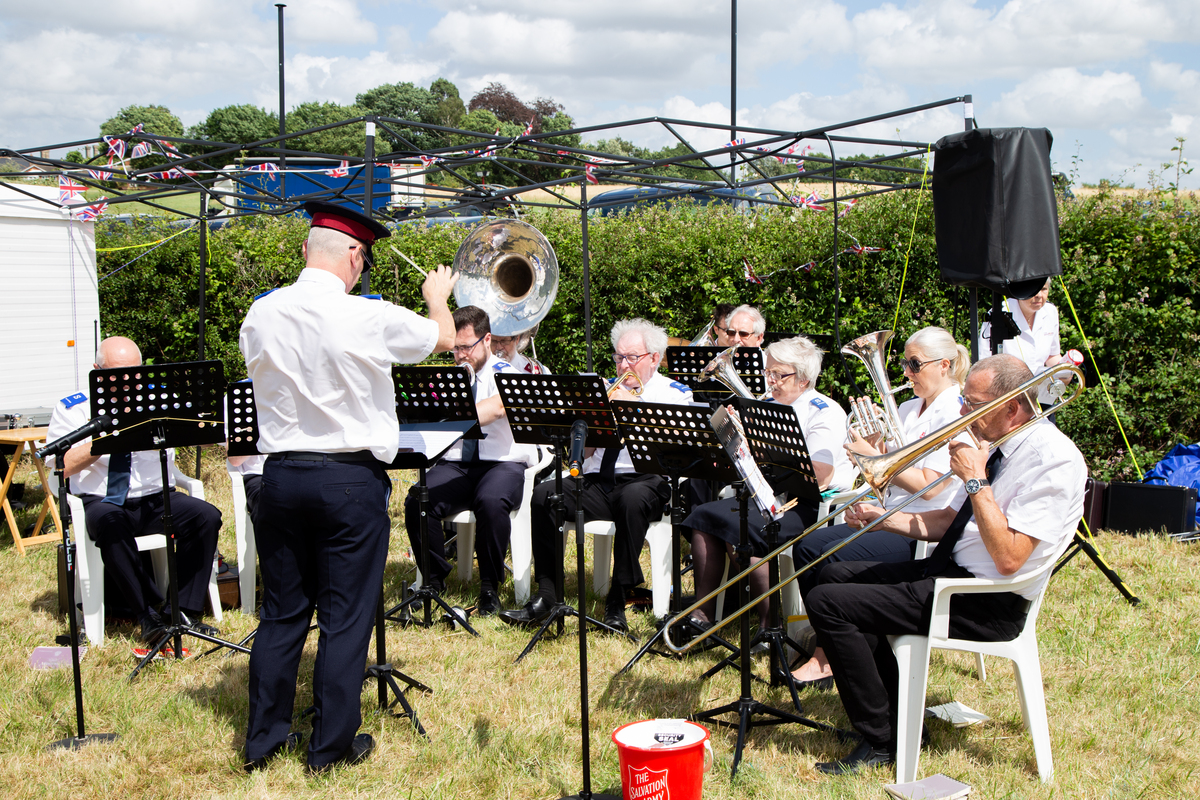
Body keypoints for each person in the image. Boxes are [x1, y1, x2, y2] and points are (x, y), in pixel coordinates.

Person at [238, 201, 456, 774]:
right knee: (345, 618)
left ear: (306, 250)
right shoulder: (368, 315)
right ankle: (329, 748)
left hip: (281, 475)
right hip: (347, 480)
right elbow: (443, 338)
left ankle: (263, 743)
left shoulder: (261, 312)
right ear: (355, 256)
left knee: (282, 614)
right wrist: (437, 295)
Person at [806, 354, 1086, 775]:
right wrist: (882, 518)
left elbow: (1009, 558)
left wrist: (975, 479)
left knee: (829, 602)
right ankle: (897, 720)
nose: (961, 412)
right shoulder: (998, 445)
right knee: (833, 574)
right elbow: (947, 522)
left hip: (985, 601)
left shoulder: (1054, 459)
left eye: (972, 404)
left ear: (1012, 407)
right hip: (947, 573)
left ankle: (883, 739)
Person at [788, 327, 971, 689]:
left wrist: (878, 458)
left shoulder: (956, 410)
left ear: (944, 365)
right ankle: (833, 644)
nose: (906, 372)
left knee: (831, 555)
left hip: (924, 526)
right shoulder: (908, 407)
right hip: (891, 511)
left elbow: (931, 488)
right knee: (807, 546)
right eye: (904, 363)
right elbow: (889, 478)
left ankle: (829, 656)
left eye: (915, 364)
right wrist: (871, 462)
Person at [498, 318, 693, 633]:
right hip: (599, 480)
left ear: (655, 358)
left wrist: (633, 406)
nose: (623, 365)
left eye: (632, 357)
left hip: (647, 480)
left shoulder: (674, 393)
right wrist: (591, 414)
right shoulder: (607, 388)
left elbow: (675, 445)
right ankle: (547, 594)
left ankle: (618, 599)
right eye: (618, 357)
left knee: (632, 500)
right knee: (545, 495)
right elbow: (587, 453)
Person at [45, 336, 222, 643]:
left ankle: (182, 611)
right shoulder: (74, 407)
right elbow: (62, 465)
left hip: (156, 498)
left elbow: (204, 435)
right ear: (97, 370)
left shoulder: (160, 397)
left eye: (134, 373)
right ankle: (146, 615)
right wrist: (106, 439)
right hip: (103, 500)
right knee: (110, 525)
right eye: (116, 374)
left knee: (206, 517)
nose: (127, 381)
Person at [684, 336, 854, 632]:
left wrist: (767, 449)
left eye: (778, 374)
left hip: (808, 503)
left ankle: (769, 624)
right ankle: (702, 615)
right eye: (768, 372)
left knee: (743, 526)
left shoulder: (824, 411)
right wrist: (733, 437)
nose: (770, 380)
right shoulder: (766, 405)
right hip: (767, 495)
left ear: (803, 379)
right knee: (704, 516)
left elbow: (821, 474)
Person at [403, 305, 537, 615]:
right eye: (455, 348)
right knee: (417, 499)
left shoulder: (506, 373)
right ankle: (433, 581)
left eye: (466, 347)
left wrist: (451, 415)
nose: (460, 355)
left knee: (490, 502)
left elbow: (498, 408)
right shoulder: (451, 377)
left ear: (487, 340)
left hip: (502, 463)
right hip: (458, 463)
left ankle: (489, 587)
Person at [978, 278, 1073, 410]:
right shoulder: (998, 312)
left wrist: (1064, 372)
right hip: (1009, 398)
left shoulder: (1050, 311)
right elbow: (984, 363)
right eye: (1033, 290)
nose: (1039, 295)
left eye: (1044, 289)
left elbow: (1052, 356)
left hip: (1041, 397)